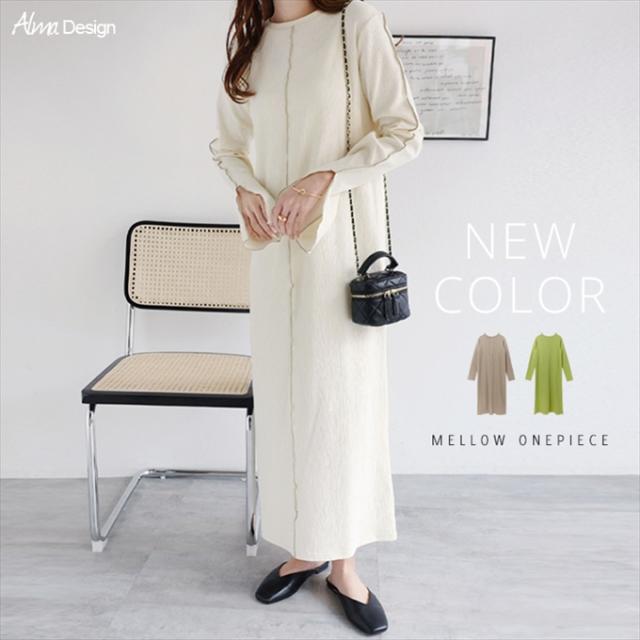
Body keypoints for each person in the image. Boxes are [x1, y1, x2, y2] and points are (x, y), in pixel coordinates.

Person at [209, 0, 424, 633]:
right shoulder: (251, 42)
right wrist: (245, 188)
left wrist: (327, 176)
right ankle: (304, 547)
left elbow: (405, 130)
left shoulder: (355, 22)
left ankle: (344, 563)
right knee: (285, 403)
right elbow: (228, 145)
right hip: (272, 251)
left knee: (339, 404)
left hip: (339, 257)